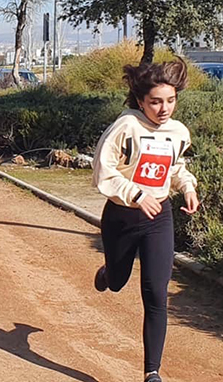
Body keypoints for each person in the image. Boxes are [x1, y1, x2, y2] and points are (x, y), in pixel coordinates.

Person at [92, 60, 199, 382]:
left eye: (170, 100)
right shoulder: (126, 126)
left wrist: (188, 187)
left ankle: (152, 371)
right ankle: (109, 272)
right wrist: (137, 195)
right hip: (122, 217)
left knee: (156, 293)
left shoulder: (178, 132)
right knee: (119, 281)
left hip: (159, 219)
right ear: (141, 101)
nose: (163, 108)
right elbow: (102, 171)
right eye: (155, 101)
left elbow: (175, 167)